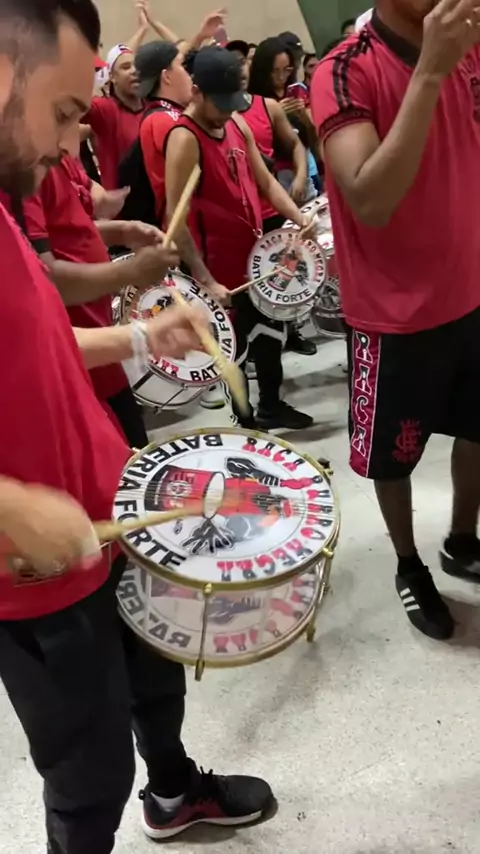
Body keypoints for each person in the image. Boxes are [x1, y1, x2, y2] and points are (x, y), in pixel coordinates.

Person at [0, 5, 274, 854]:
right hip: (36, 569)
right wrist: (9, 505)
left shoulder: (4, 207)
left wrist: (138, 337)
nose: (69, 143)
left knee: (156, 680)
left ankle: (174, 789)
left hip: (108, 512)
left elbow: (35, 340)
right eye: (62, 112)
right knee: (87, 779)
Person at [311, 0, 480, 642]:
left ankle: (462, 538)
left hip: (471, 290)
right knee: (394, 457)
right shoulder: (344, 71)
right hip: (395, 315)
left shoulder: (470, 47)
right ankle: (409, 564)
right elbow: (372, 199)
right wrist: (431, 71)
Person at [163, 46, 317, 430]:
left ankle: (272, 406)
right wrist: (205, 279)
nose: (227, 111)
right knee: (235, 353)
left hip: (255, 258)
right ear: (197, 92)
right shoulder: (184, 138)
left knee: (271, 336)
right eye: (220, 103)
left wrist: (298, 217)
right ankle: (246, 427)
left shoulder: (236, 123)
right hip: (219, 269)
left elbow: (266, 182)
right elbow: (175, 219)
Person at [21, 130, 174, 447]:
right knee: (125, 455)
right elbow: (44, 280)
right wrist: (130, 272)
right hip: (75, 356)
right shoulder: (25, 170)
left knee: (135, 448)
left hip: (97, 341)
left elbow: (67, 231)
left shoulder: (59, 156)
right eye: (63, 113)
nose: (76, 131)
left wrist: (121, 231)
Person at [250, 36, 319, 356]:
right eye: (275, 71)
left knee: (304, 254)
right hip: (272, 186)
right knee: (280, 263)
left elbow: (303, 141)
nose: (281, 77)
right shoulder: (256, 103)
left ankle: (304, 321)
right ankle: (287, 331)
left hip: (301, 176)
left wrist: (301, 115)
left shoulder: (295, 94)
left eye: (286, 70)